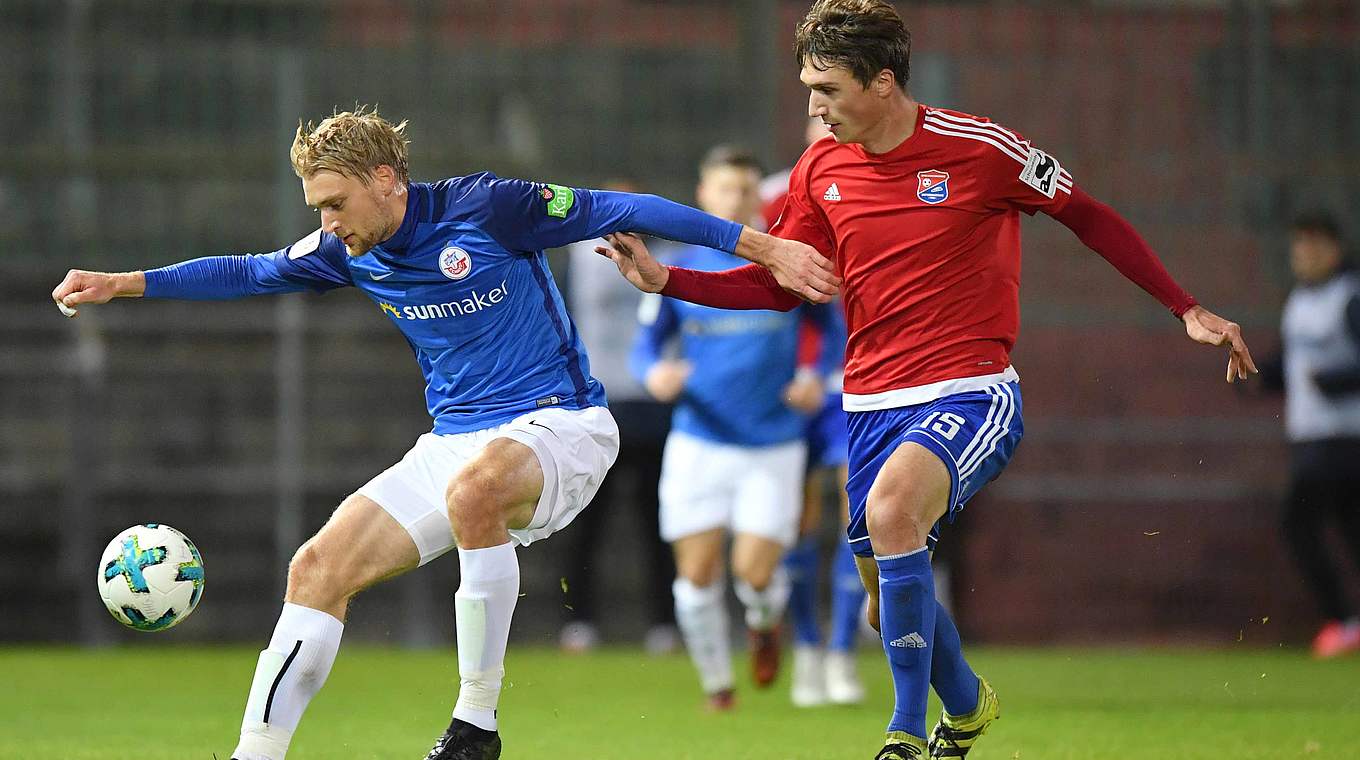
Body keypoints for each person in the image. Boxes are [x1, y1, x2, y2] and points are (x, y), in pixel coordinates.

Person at [50, 107, 825, 760]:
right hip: (455, 440)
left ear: (386, 181)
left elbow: (635, 210)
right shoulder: (346, 251)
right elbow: (250, 271)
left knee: (476, 489)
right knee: (316, 567)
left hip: (563, 426)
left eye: (335, 203)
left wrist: (765, 246)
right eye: (317, 207)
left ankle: (475, 723)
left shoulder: (489, 207)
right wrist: (125, 283)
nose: (326, 222)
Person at [596, 2, 1256, 757]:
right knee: (885, 606)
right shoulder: (819, 171)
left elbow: (1088, 215)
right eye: (808, 88)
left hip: (971, 389)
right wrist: (666, 279)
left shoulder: (984, 149)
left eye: (829, 90)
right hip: (870, 405)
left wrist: (1185, 307)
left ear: (882, 84)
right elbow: (786, 286)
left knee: (892, 508)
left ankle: (907, 733)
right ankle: (969, 704)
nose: (814, 108)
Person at [630, 145, 840, 710]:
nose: (735, 199)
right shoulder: (677, 264)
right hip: (699, 440)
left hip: (774, 442)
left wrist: (815, 374)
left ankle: (764, 618)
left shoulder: (786, 261)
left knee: (753, 571)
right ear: (703, 195)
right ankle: (719, 688)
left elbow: (831, 323)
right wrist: (655, 375)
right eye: (724, 188)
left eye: (746, 189)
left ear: (759, 196)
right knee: (695, 578)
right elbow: (645, 348)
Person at [556, 179, 679, 655]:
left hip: (651, 407)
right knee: (585, 521)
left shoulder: (666, 256)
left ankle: (663, 624)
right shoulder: (576, 258)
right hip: (596, 405)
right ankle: (578, 620)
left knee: (657, 521)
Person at [1259, 211, 1360, 658]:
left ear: (1334, 250)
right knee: (1349, 527)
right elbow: (1293, 363)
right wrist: (1263, 376)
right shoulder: (1299, 300)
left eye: (1314, 245)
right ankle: (1345, 622)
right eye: (1299, 245)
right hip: (1309, 435)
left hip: (1345, 437)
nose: (1304, 254)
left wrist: (1340, 381)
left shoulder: (1349, 298)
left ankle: (1341, 620)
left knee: (1298, 522)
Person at [782, 309, 869, 708]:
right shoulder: (773, 244)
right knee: (798, 524)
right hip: (790, 392)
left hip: (851, 387)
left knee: (860, 517)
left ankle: (841, 652)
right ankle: (806, 647)